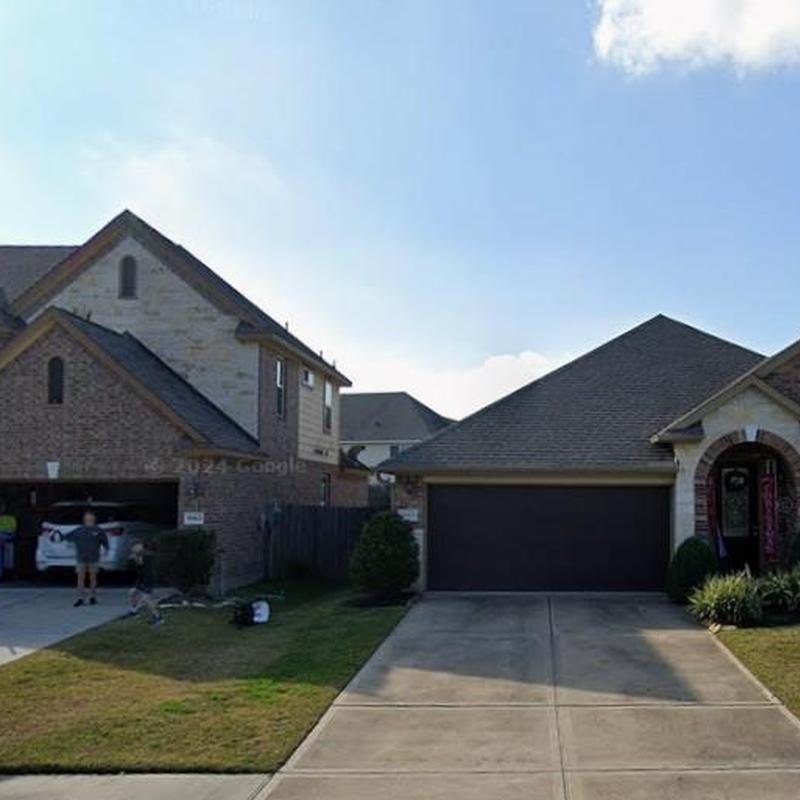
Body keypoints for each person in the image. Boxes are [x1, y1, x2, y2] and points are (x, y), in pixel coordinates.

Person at [63, 510, 108, 606]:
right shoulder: (79, 530)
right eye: (87, 518)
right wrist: (58, 536)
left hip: (94, 558)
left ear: (94, 519)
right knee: (80, 578)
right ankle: (80, 598)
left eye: (91, 518)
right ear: (84, 519)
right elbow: (67, 536)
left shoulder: (98, 530)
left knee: (93, 578)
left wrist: (106, 550)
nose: (89, 520)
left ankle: (92, 597)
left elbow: (105, 541)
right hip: (81, 558)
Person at [127, 540, 163, 625]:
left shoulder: (145, 554)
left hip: (148, 579)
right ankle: (134, 611)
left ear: (140, 545)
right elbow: (138, 567)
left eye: (134, 547)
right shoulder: (139, 555)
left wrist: (136, 559)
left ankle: (157, 617)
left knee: (146, 599)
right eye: (132, 548)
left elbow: (144, 564)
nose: (133, 549)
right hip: (141, 578)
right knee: (132, 593)